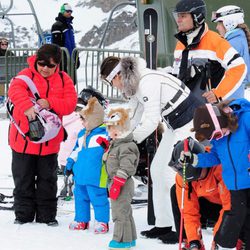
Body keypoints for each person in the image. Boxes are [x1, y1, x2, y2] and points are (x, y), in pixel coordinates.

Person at [100, 56, 203, 243]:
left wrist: (128, 141)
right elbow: (132, 115)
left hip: (190, 123)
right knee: (156, 170)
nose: (114, 86)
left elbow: (151, 120)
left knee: (171, 174)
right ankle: (163, 224)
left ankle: (181, 227)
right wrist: (119, 135)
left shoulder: (147, 82)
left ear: (119, 75)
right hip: (175, 124)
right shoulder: (136, 85)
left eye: (112, 81)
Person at [7, 43, 77, 226]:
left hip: (49, 142)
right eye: (41, 64)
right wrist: (27, 108)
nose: (45, 68)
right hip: (23, 140)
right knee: (23, 179)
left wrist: (50, 102)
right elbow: (14, 91)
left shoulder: (64, 79)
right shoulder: (25, 75)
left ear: (57, 65)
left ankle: (47, 216)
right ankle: (23, 216)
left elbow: (70, 104)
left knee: (48, 180)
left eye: (50, 65)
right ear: (36, 61)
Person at [179, 98, 250, 249]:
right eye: (213, 138)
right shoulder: (220, 137)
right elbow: (215, 156)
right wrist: (194, 159)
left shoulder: (246, 119)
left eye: (217, 135)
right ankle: (223, 245)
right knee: (238, 217)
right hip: (235, 185)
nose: (217, 139)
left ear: (221, 122)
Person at [171, 0, 247, 104]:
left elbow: (239, 67)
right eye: (177, 16)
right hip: (183, 111)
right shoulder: (180, 44)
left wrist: (218, 93)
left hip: (208, 112)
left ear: (197, 17)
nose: (178, 20)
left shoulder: (215, 41)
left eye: (183, 16)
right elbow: (177, 75)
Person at [169, 138, 231, 250]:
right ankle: (189, 243)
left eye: (199, 176)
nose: (197, 181)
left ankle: (241, 239)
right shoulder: (182, 178)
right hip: (206, 206)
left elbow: (229, 206)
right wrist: (194, 241)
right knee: (175, 192)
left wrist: (218, 239)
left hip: (228, 209)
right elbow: (188, 211)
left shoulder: (221, 167)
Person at [65, 97, 110, 233]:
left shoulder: (105, 134)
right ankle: (82, 220)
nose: (82, 123)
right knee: (80, 198)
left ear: (94, 120)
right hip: (81, 174)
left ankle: (102, 222)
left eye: (84, 120)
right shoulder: (82, 134)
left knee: (98, 199)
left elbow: (110, 152)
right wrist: (70, 162)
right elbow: (77, 150)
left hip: (96, 175)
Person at [58, 86, 108, 197]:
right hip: (77, 161)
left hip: (64, 160)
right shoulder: (81, 122)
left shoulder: (69, 116)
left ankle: (68, 185)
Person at [104, 107, 140, 249]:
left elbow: (126, 166)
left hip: (122, 184)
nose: (108, 132)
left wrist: (117, 184)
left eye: (110, 129)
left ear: (119, 129)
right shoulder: (117, 144)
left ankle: (121, 240)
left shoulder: (127, 146)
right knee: (125, 211)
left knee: (120, 213)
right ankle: (130, 239)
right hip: (116, 182)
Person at [212, 5, 250, 98]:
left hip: (230, 97)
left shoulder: (233, 43)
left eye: (219, 24)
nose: (217, 27)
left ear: (229, 23)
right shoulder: (238, 39)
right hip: (234, 95)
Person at [51, 3, 79, 76]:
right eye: (67, 11)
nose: (69, 13)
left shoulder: (70, 26)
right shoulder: (57, 26)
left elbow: (73, 44)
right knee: (63, 80)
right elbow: (55, 45)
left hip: (71, 58)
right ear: (62, 11)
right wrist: (59, 59)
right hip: (62, 60)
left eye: (71, 11)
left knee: (72, 80)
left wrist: (76, 58)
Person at [0, 38, 14, 103]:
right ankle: (2, 95)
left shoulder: (9, 53)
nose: (4, 45)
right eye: (2, 44)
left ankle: (7, 96)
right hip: (5, 74)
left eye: (6, 44)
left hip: (7, 73)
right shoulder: (9, 53)